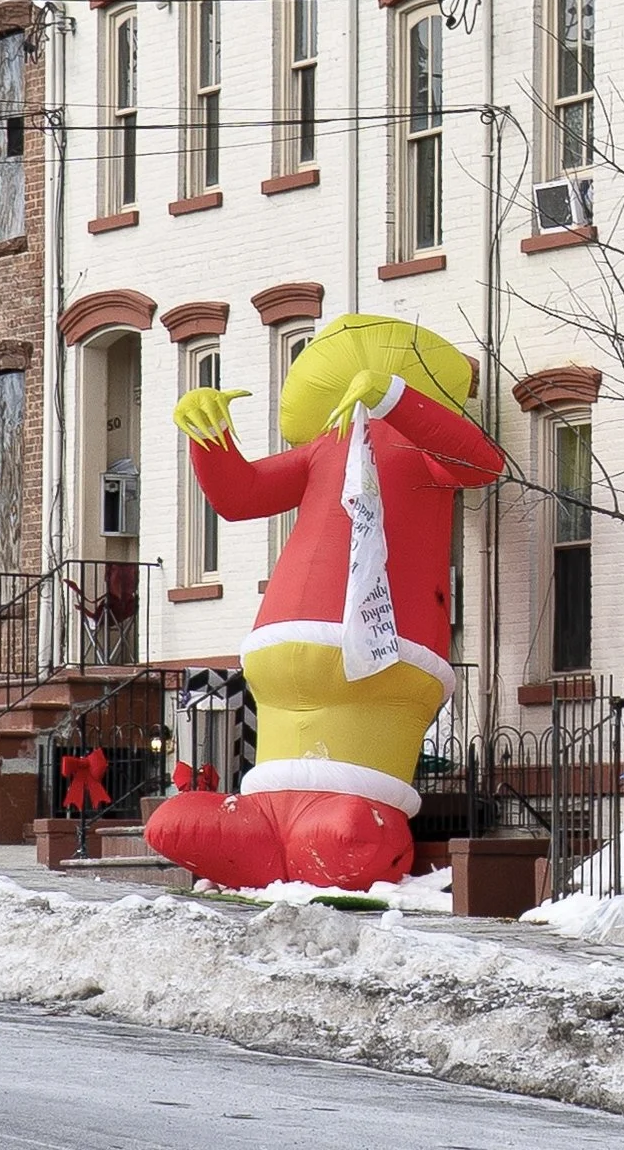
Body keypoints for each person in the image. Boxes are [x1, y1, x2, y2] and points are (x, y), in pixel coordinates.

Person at [147, 315, 503, 890]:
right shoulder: (326, 449)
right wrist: (208, 436)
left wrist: (394, 399)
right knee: (289, 802)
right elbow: (240, 496)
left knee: (350, 823)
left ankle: (330, 839)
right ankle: (261, 828)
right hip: (289, 644)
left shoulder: (420, 449)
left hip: (384, 648)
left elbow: (482, 464)